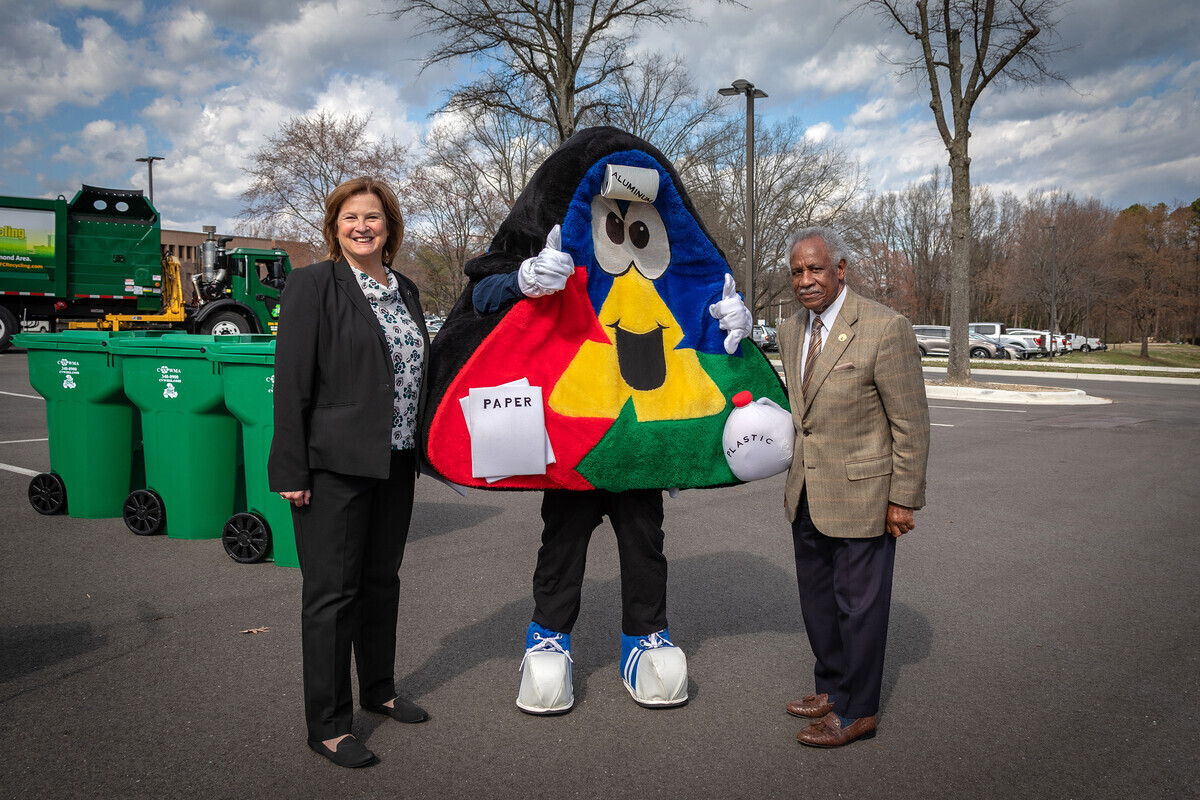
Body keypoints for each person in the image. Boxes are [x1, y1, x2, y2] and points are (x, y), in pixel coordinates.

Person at [268, 176, 432, 768]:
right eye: (350, 219)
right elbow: (292, 383)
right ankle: (329, 724)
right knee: (332, 595)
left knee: (381, 581)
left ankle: (380, 690)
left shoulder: (406, 290)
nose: (362, 228)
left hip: (393, 461)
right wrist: (292, 466)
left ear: (390, 227)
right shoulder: (315, 285)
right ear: (334, 229)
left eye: (374, 218)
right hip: (332, 466)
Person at [776, 227, 930, 748]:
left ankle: (859, 709)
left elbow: (910, 423)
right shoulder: (791, 328)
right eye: (797, 271)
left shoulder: (885, 328)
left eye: (816, 269)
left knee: (859, 606)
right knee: (817, 602)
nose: (806, 280)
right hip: (808, 493)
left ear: (841, 269)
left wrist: (903, 497)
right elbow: (804, 411)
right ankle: (833, 687)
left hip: (865, 495)